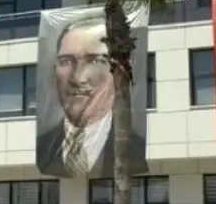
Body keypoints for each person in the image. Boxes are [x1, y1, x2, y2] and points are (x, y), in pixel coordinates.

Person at [36, 15, 147, 178]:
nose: (78, 78)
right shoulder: (44, 145)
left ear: (118, 71)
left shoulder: (135, 147)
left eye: (95, 61)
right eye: (66, 61)